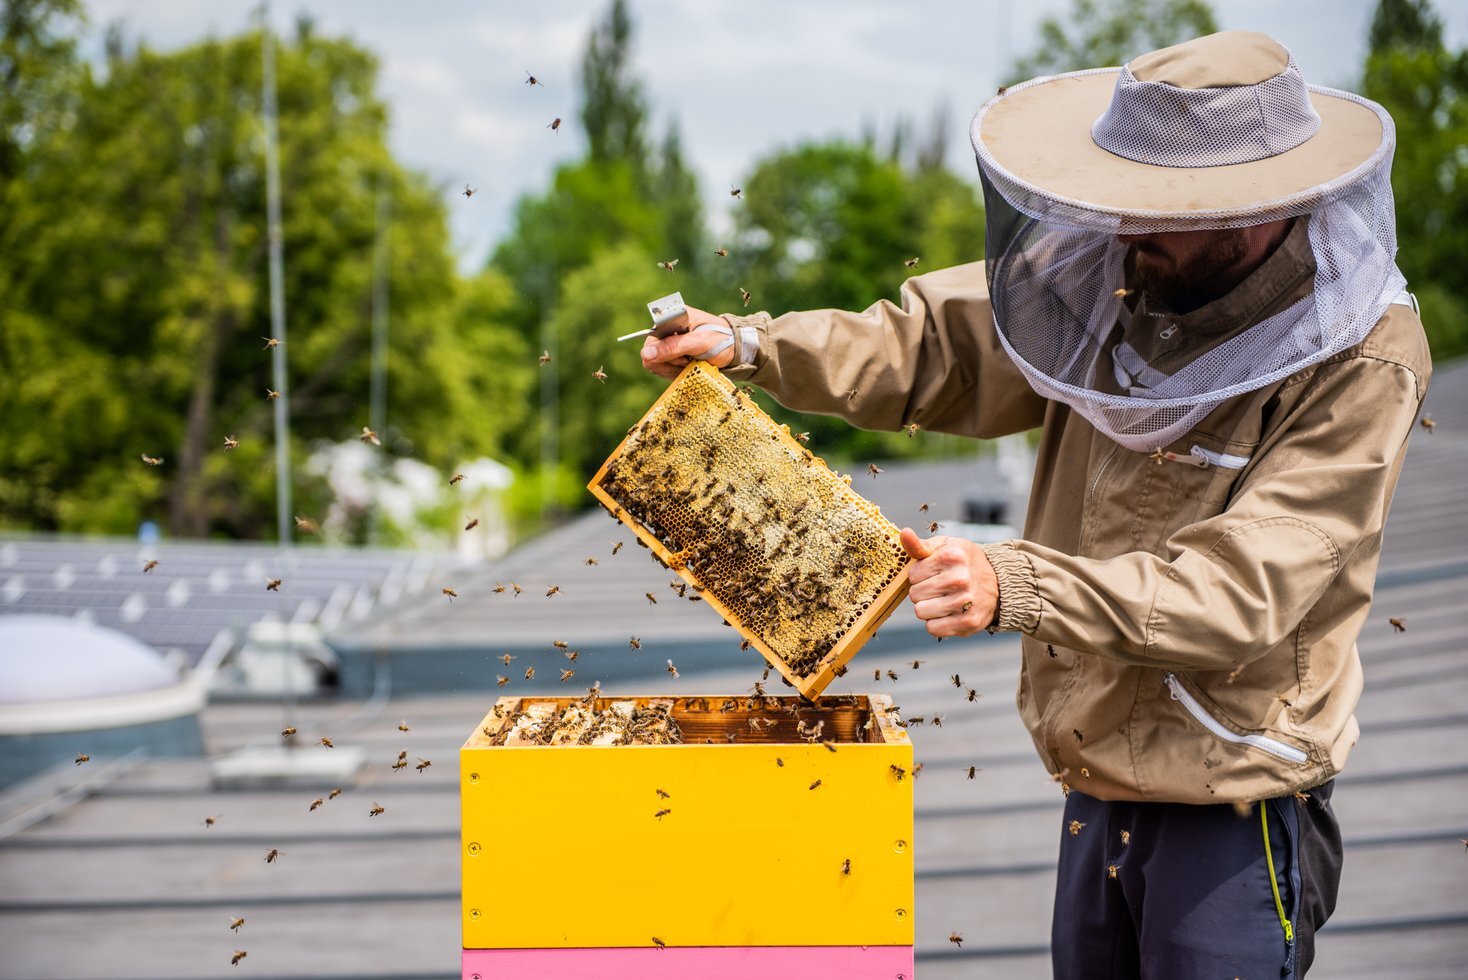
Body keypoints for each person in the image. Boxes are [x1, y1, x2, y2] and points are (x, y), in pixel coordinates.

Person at [641, 30, 1431, 979]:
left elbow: (1243, 587)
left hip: (1234, 801)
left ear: (1256, 208)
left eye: (1166, 210)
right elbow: (936, 346)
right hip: (1095, 784)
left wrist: (1012, 582)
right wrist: (751, 346)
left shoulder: (1361, 358)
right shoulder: (1119, 270)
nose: (1131, 230)